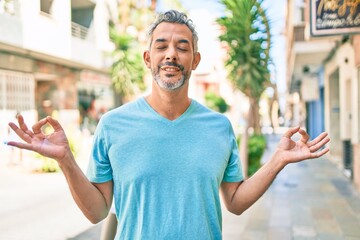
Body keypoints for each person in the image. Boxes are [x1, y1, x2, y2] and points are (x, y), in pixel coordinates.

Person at [7, 10, 330, 239]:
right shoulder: (112, 125)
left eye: (182, 47)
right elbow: (97, 212)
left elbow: (235, 202)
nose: (171, 54)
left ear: (195, 60)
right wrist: (66, 161)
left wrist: (278, 160)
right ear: (148, 59)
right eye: (161, 46)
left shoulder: (219, 127)